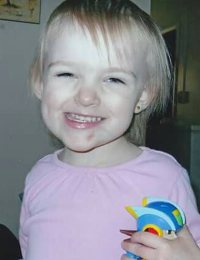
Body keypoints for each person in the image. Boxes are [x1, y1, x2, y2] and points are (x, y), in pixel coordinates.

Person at [19, 0, 200, 259]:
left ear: (143, 96)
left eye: (113, 79)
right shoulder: (38, 178)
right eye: (66, 74)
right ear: (40, 82)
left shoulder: (165, 178)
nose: (86, 96)